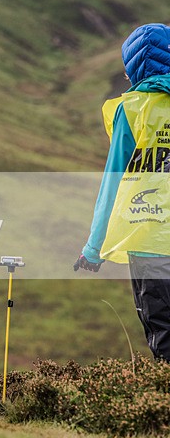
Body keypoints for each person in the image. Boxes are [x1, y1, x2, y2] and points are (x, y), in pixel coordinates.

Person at [76, 23, 170, 361]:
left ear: (135, 66)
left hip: (148, 240)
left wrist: (94, 249)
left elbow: (112, 183)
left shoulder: (131, 110)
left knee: (163, 332)